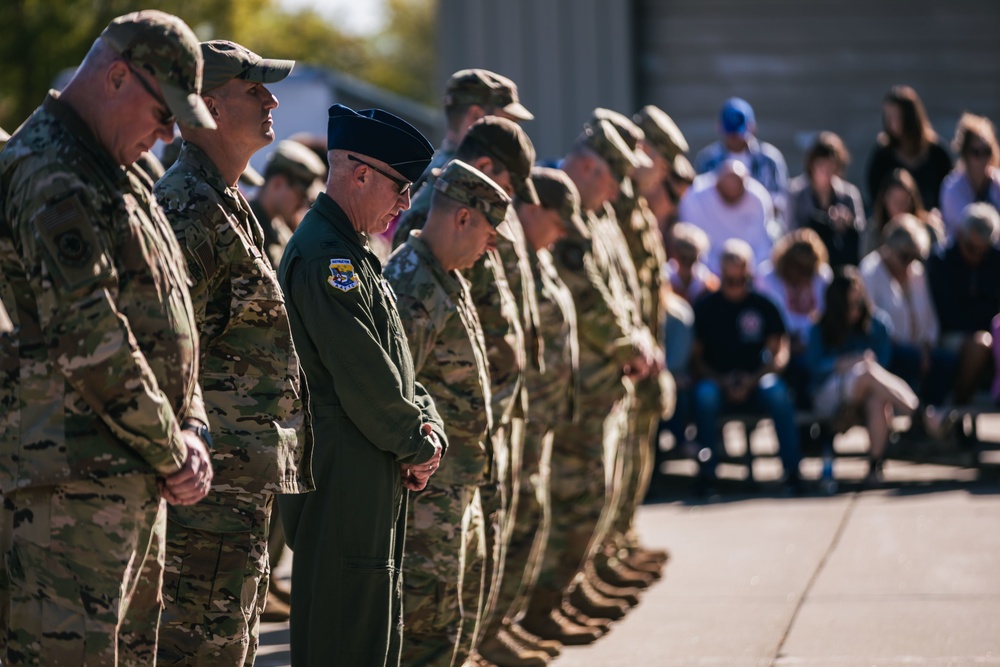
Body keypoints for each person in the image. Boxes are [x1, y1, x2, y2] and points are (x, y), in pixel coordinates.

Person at [0, 10, 215, 664]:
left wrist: (194, 425)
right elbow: (88, 332)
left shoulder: (118, 171)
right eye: (162, 115)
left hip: (128, 475)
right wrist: (170, 443)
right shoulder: (50, 172)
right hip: (67, 489)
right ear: (117, 76)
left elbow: (171, 311)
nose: (165, 136)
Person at [152, 39, 313, 664]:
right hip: (203, 507)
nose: (272, 100)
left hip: (235, 497)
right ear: (208, 105)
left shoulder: (224, 202)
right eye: (254, 90)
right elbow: (165, 353)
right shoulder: (189, 210)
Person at [277, 104, 445, 667]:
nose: (404, 205)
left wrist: (428, 425)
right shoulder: (327, 257)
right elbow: (362, 376)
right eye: (399, 188)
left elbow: (397, 369)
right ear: (360, 173)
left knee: (371, 631)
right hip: (344, 468)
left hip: (369, 465)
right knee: (345, 633)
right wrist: (417, 443)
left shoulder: (354, 252)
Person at [384, 160, 510, 667]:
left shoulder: (444, 276)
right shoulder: (412, 283)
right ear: (462, 218)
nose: (491, 246)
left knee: (452, 619)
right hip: (429, 494)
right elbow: (392, 392)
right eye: (488, 230)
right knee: (427, 630)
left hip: (459, 482)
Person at [690, 240, 802, 496]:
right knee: (704, 395)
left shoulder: (763, 305)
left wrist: (753, 379)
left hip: (757, 381)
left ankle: (793, 472)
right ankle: (707, 475)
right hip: (717, 382)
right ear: (720, 274)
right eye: (730, 280)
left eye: (740, 279)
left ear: (749, 274)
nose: (735, 286)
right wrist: (722, 381)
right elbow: (696, 360)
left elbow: (779, 354)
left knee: (777, 392)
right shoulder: (707, 308)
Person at [806, 268, 919, 486]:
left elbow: (883, 366)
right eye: (849, 306)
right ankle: (919, 413)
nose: (855, 310)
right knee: (866, 370)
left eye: (859, 303)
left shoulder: (877, 323)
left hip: (867, 390)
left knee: (877, 399)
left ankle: (874, 467)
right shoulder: (820, 327)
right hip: (827, 395)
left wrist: (862, 363)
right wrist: (843, 363)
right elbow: (814, 368)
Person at [859, 214, 955, 409]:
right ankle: (918, 416)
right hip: (887, 350)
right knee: (908, 360)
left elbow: (929, 317)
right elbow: (872, 323)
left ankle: (928, 419)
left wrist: (926, 349)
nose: (909, 262)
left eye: (914, 256)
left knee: (947, 362)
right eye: (904, 256)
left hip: (919, 350)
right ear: (889, 248)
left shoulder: (917, 273)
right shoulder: (870, 271)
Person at [927, 202, 1000, 405]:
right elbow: (950, 314)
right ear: (960, 234)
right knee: (981, 344)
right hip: (952, 336)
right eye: (971, 247)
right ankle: (955, 405)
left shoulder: (996, 260)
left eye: (982, 250)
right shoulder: (941, 261)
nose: (976, 255)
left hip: (991, 333)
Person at [414, 68, 533, 191]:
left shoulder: (425, 175)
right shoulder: (454, 182)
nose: (514, 132)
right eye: (507, 122)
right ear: (475, 116)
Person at [756, 228, 833, 407]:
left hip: (814, 348)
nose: (802, 273)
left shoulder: (822, 277)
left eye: (808, 269)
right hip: (775, 349)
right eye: (797, 266)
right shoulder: (767, 277)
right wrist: (788, 340)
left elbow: (825, 318)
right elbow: (768, 320)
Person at [693, 97, 789, 222]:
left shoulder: (770, 160)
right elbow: (698, 200)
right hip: (717, 227)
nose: (735, 138)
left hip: (759, 227)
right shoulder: (706, 160)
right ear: (719, 127)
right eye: (730, 133)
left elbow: (781, 202)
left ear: (753, 128)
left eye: (739, 133)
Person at [679, 158, 777, 273]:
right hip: (704, 273)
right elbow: (690, 239)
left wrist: (750, 272)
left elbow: (763, 245)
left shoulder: (759, 198)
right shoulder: (695, 195)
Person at [865, 85, 952, 211]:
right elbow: (875, 198)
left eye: (897, 116)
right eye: (888, 117)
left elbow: (948, 193)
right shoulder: (882, 155)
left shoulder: (937, 153)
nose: (892, 123)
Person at [787, 131, 866, 267]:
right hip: (805, 263)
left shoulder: (849, 194)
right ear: (811, 165)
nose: (826, 171)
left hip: (840, 263)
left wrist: (847, 224)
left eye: (830, 165)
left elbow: (862, 232)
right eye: (821, 165)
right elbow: (788, 232)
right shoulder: (795, 193)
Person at [252, 138, 328, 269]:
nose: (302, 204)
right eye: (301, 195)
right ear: (278, 183)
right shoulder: (246, 224)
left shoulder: (280, 230)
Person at [939, 113, 1000, 239]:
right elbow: (969, 231)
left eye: (987, 151)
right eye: (976, 152)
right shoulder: (952, 188)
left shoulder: (997, 182)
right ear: (965, 153)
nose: (983, 159)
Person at [870, 167, 945, 251]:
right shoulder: (873, 233)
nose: (900, 208)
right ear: (884, 200)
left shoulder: (929, 230)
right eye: (895, 202)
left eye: (904, 202)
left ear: (912, 201)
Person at [666, 221, 718, 303]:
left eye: (692, 258)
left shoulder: (708, 282)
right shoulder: (665, 277)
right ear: (674, 254)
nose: (687, 263)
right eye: (683, 258)